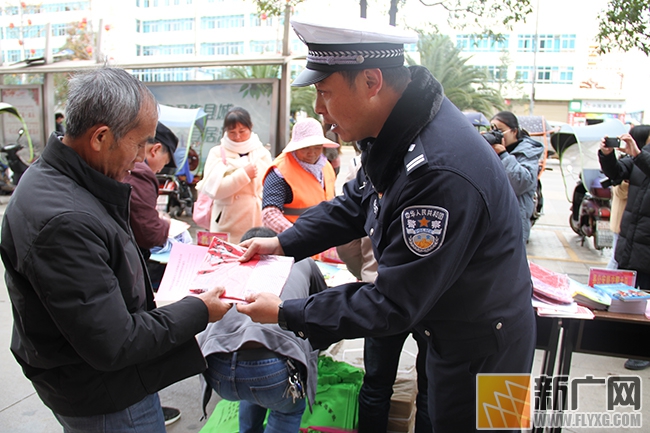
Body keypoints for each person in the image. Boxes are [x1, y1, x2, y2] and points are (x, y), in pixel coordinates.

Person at [236, 16, 536, 433]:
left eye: (325, 93)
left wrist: (287, 312)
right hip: (450, 331)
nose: (320, 110)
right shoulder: (395, 137)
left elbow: (393, 302)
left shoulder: (436, 172)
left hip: (489, 352)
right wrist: (282, 244)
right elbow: (354, 205)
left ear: (372, 81)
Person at [0, 67, 232, 432]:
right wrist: (199, 310)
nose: (143, 158)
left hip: (93, 380)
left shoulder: (65, 178)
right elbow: (115, 342)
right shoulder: (64, 219)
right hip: (106, 396)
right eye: (139, 144)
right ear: (101, 137)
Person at [336, 148, 431, 433]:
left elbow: (347, 242)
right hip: (429, 293)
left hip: (379, 290)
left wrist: (364, 270)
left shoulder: (359, 171)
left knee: (377, 382)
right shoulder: (431, 165)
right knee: (428, 386)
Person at [198, 226, 326, 433]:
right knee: (288, 409)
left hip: (216, 368)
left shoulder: (226, 265)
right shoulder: (303, 262)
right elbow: (320, 311)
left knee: (253, 389)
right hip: (271, 372)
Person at [598, 124, 650, 371]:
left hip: (647, 243)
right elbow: (617, 173)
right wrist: (607, 155)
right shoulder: (641, 157)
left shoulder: (643, 157)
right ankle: (626, 342)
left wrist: (639, 155)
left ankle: (643, 351)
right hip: (631, 238)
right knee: (631, 295)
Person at [197, 106, 273, 243]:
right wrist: (243, 175)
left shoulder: (262, 153)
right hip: (227, 224)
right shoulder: (217, 153)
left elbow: (268, 187)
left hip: (256, 222)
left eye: (242, 131)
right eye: (232, 132)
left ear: (251, 127)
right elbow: (214, 190)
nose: (237, 137)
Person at [262, 117, 339, 234]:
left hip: (324, 243)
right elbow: (269, 214)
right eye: (305, 148)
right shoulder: (279, 172)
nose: (312, 153)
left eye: (317, 148)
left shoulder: (326, 166)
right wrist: (297, 235)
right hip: (293, 246)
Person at [489, 111, 544, 244]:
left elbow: (521, 183)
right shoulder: (491, 151)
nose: (496, 134)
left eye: (500, 130)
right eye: (492, 130)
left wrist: (503, 155)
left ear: (514, 131)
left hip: (514, 223)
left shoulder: (528, 152)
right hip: (494, 221)